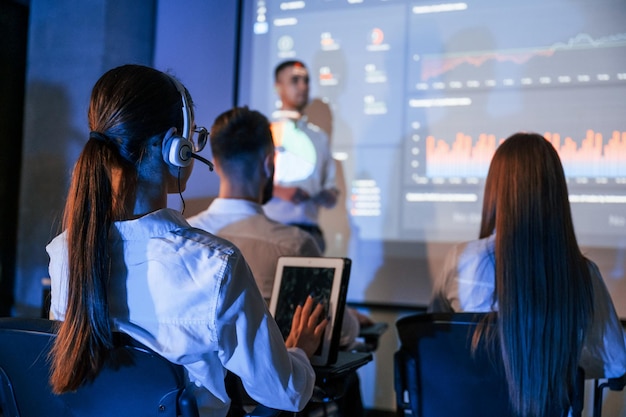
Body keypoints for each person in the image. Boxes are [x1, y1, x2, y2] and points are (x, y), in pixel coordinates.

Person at [45, 64, 328, 417]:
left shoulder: (63, 254)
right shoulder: (214, 266)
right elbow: (283, 392)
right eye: (193, 135)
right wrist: (299, 351)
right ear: (174, 148)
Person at [428, 132, 626, 417]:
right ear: (556, 193)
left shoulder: (460, 260)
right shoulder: (583, 273)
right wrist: (557, 357)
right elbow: (617, 364)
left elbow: (432, 337)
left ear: (496, 190)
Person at [187, 106, 322, 302]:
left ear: (215, 163)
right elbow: (335, 327)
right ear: (268, 164)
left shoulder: (185, 236)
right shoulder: (297, 247)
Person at [263, 60, 339, 253]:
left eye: (306, 80)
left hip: (310, 234)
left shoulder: (320, 137)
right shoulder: (265, 132)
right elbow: (246, 182)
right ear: (277, 87)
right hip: (273, 230)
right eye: (295, 80)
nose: (303, 86)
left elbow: (330, 186)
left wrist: (328, 195)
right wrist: (281, 191)